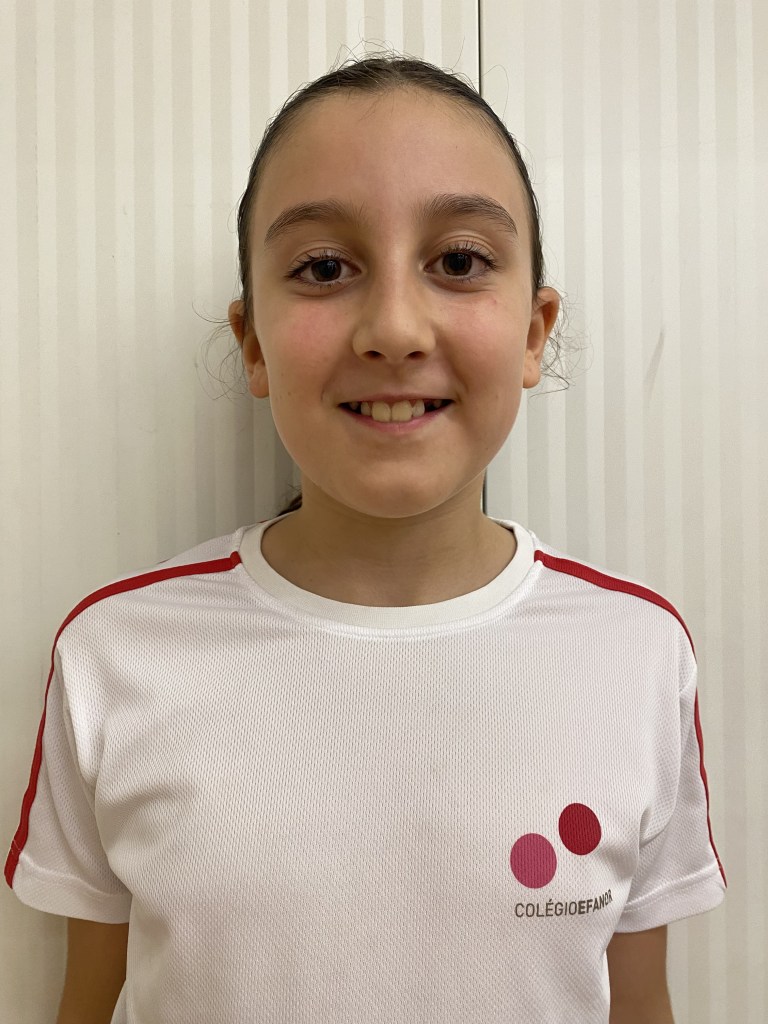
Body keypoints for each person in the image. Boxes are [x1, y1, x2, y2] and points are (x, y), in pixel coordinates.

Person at [5, 53, 725, 1024]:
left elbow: (640, 1004)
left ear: (533, 331)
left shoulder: (638, 653)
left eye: (458, 261)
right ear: (252, 342)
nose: (393, 327)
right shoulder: (113, 652)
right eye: (323, 268)